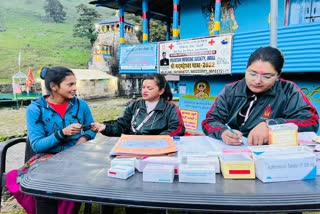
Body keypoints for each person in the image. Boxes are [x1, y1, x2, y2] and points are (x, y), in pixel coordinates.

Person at [6, 66, 96, 214]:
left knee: (78, 181)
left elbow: (91, 128)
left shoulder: (81, 105)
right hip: (48, 158)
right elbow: (37, 146)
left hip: (77, 156)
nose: (75, 88)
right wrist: (62, 133)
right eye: (70, 84)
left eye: (75, 83)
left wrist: (83, 139)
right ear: (54, 86)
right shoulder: (36, 109)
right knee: (43, 186)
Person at [202, 46, 319, 146]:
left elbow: (311, 121)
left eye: (267, 77)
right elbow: (210, 121)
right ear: (246, 69)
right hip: (233, 152)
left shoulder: (288, 90)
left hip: (272, 155)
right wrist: (222, 132)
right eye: (252, 73)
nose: (257, 81)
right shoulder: (231, 90)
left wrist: (272, 126)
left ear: (278, 76)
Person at [91, 72, 185, 137]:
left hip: (158, 147)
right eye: (143, 87)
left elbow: (177, 128)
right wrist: (104, 127)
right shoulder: (134, 105)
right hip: (133, 146)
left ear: (161, 91)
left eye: (149, 88)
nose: (145, 90)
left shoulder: (170, 108)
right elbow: (122, 125)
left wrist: (156, 140)